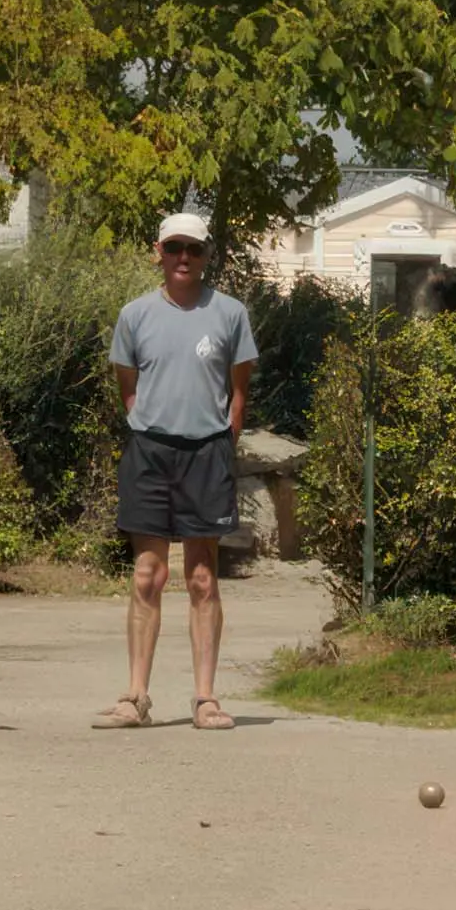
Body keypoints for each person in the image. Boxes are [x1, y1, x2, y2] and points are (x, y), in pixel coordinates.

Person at [94, 212, 258, 731]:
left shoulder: (230, 314)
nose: (183, 258)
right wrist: (151, 423)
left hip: (206, 454)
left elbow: (238, 390)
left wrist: (218, 436)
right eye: (174, 249)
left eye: (193, 249)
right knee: (148, 575)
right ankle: (135, 697)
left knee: (203, 578)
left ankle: (205, 698)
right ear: (158, 253)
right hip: (150, 451)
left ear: (207, 255)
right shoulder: (134, 315)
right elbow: (128, 385)